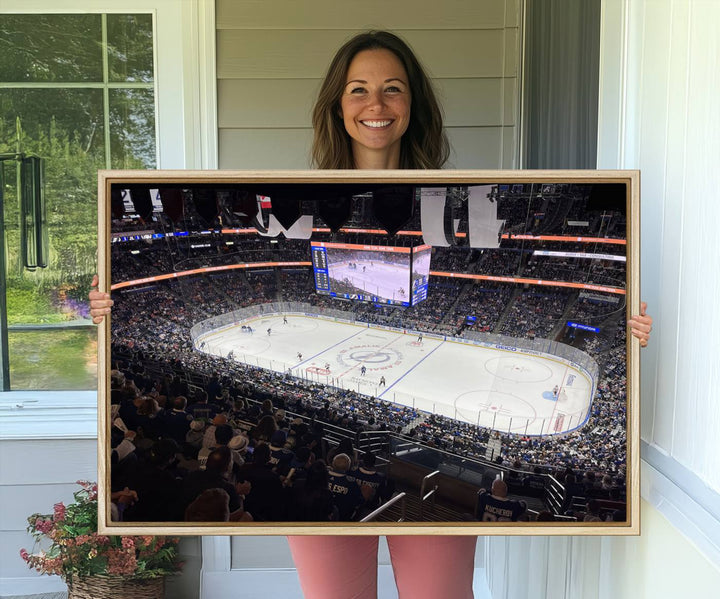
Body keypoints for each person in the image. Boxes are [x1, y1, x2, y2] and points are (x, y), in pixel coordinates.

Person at [89, 28, 654, 599]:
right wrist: (106, 308)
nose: (375, 104)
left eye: (393, 89)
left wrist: (626, 332)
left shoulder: (458, 196)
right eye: (358, 89)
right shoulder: (295, 198)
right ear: (338, 104)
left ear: (414, 105)